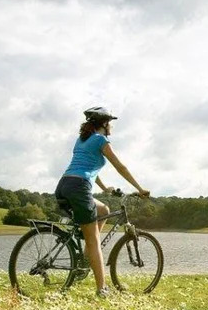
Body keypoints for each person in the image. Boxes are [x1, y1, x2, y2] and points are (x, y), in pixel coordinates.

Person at [55, 107, 150, 297]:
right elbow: (120, 167)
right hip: (79, 187)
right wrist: (140, 189)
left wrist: (105, 188)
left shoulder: (81, 140)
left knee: (104, 209)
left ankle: (84, 257)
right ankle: (102, 289)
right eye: (110, 123)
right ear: (104, 124)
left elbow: (86, 168)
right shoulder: (101, 139)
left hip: (64, 185)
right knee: (94, 241)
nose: (112, 126)